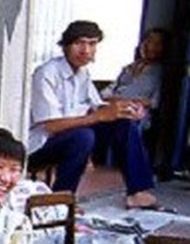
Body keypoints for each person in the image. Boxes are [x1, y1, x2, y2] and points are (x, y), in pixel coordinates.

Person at [26, 20, 157, 209]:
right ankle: (61, 202)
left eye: (92, 44)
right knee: (82, 136)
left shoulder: (82, 74)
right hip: (41, 144)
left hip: (70, 134)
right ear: (65, 46)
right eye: (79, 43)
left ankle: (137, 191)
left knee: (124, 122)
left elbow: (97, 106)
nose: (86, 50)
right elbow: (51, 126)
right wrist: (98, 117)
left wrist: (125, 108)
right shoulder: (46, 74)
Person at [102, 27, 167, 133]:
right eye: (148, 41)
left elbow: (155, 102)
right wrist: (108, 98)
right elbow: (109, 89)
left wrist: (128, 102)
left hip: (135, 113)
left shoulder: (160, 72)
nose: (150, 47)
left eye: (157, 43)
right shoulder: (128, 68)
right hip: (113, 107)